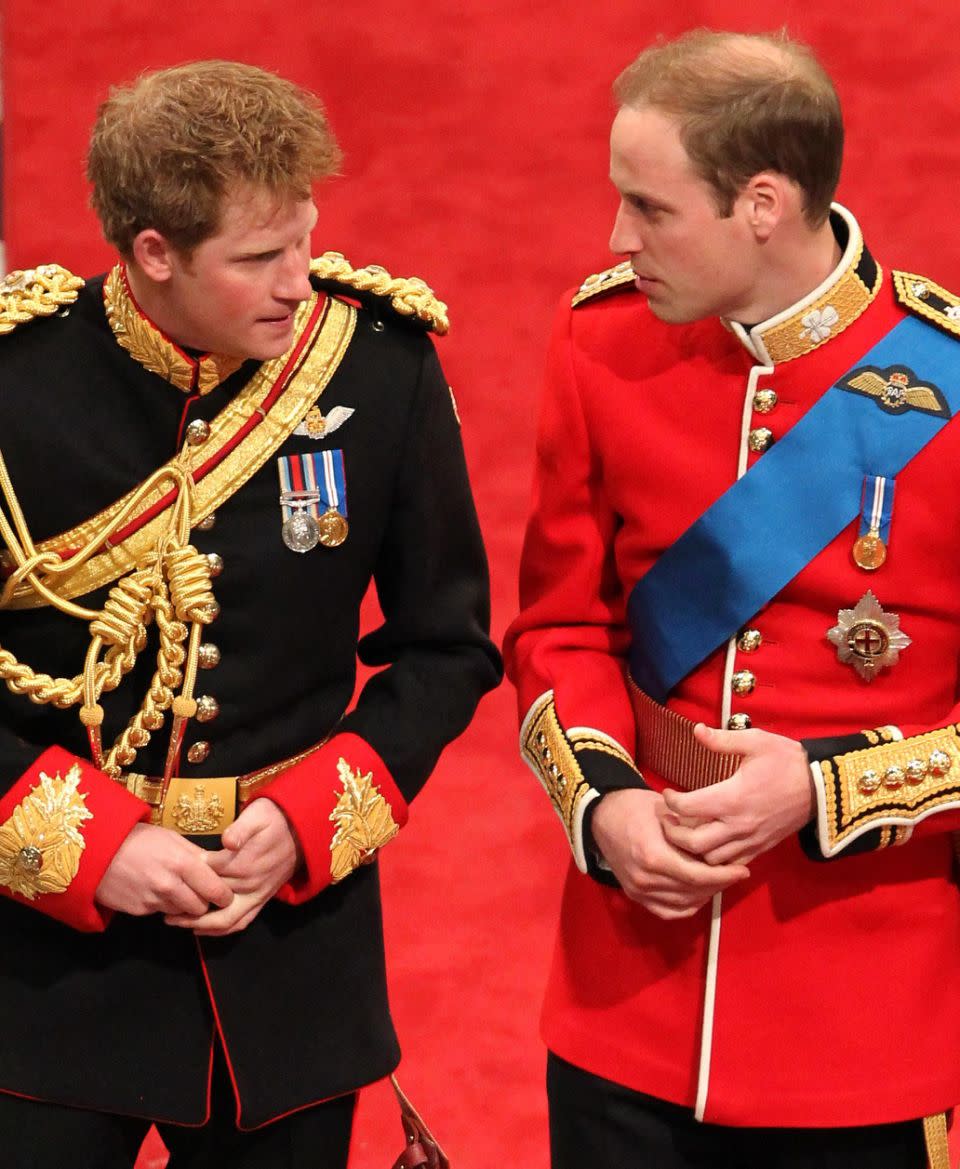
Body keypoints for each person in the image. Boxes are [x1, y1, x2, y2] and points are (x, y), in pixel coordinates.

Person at [0, 60, 500, 1168]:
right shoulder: (17, 384)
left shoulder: (383, 370)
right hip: (42, 976)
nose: (298, 282)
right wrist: (85, 844)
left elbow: (447, 647)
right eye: (259, 259)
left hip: (288, 965)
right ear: (152, 254)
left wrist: (316, 816)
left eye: (305, 243)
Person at [504, 28, 960, 1169]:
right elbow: (561, 625)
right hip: (625, 1005)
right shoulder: (598, 342)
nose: (619, 238)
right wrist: (603, 805)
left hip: (862, 1026)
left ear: (763, 202)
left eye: (649, 208)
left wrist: (822, 785)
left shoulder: (945, 384)